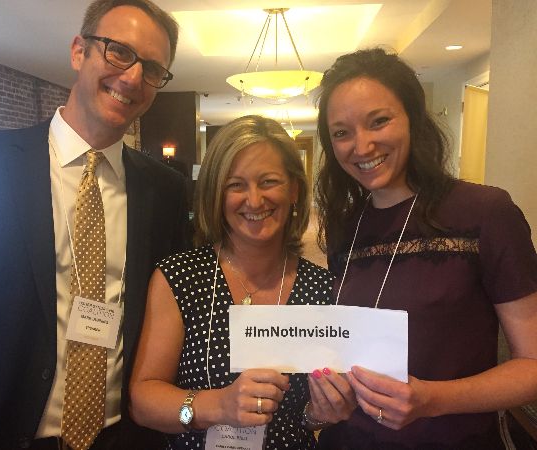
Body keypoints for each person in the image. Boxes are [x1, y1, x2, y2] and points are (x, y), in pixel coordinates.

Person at [0, 1, 189, 449]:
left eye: (152, 68)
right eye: (118, 51)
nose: (132, 76)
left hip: (122, 437)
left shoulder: (166, 192)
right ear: (79, 51)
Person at [311, 47, 537, 449]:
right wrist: (328, 397)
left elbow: (532, 366)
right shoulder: (347, 229)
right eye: (341, 132)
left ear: (413, 118)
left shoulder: (485, 212)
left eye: (378, 121)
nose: (361, 147)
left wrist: (432, 399)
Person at [129, 115, 337, 449]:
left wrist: (321, 412)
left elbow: (307, 417)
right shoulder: (181, 278)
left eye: (269, 182)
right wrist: (217, 406)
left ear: (294, 188)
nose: (254, 201)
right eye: (235, 185)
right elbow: (142, 402)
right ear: (216, 193)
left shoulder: (323, 290)